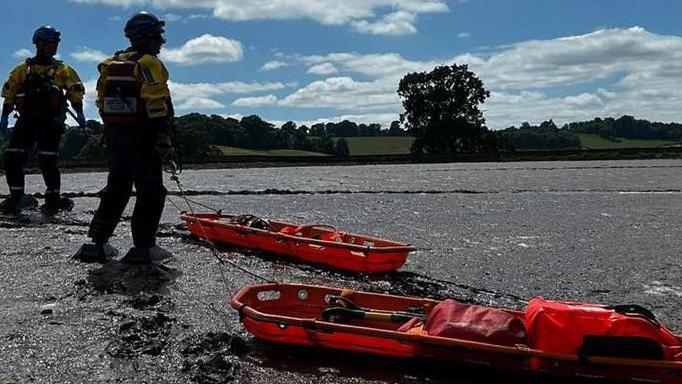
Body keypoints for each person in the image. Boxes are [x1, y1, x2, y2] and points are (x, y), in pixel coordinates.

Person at [74, 11, 176, 264]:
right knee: (150, 189)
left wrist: (112, 129)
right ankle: (143, 247)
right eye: (158, 36)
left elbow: (100, 100)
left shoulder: (109, 64)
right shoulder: (149, 63)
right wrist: (162, 136)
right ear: (147, 37)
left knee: (116, 188)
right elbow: (156, 100)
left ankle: (96, 242)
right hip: (144, 134)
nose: (161, 42)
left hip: (116, 135)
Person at [0, 26, 86, 215]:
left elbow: (75, 91)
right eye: (49, 43)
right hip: (26, 121)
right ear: (38, 44)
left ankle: (53, 199)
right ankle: (16, 198)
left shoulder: (63, 70)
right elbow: (10, 93)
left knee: (47, 159)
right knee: (12, 157)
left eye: (55, 43)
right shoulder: (22, 69)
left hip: (50, 122)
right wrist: (5, 116)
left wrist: (79, 113)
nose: (53, 47)